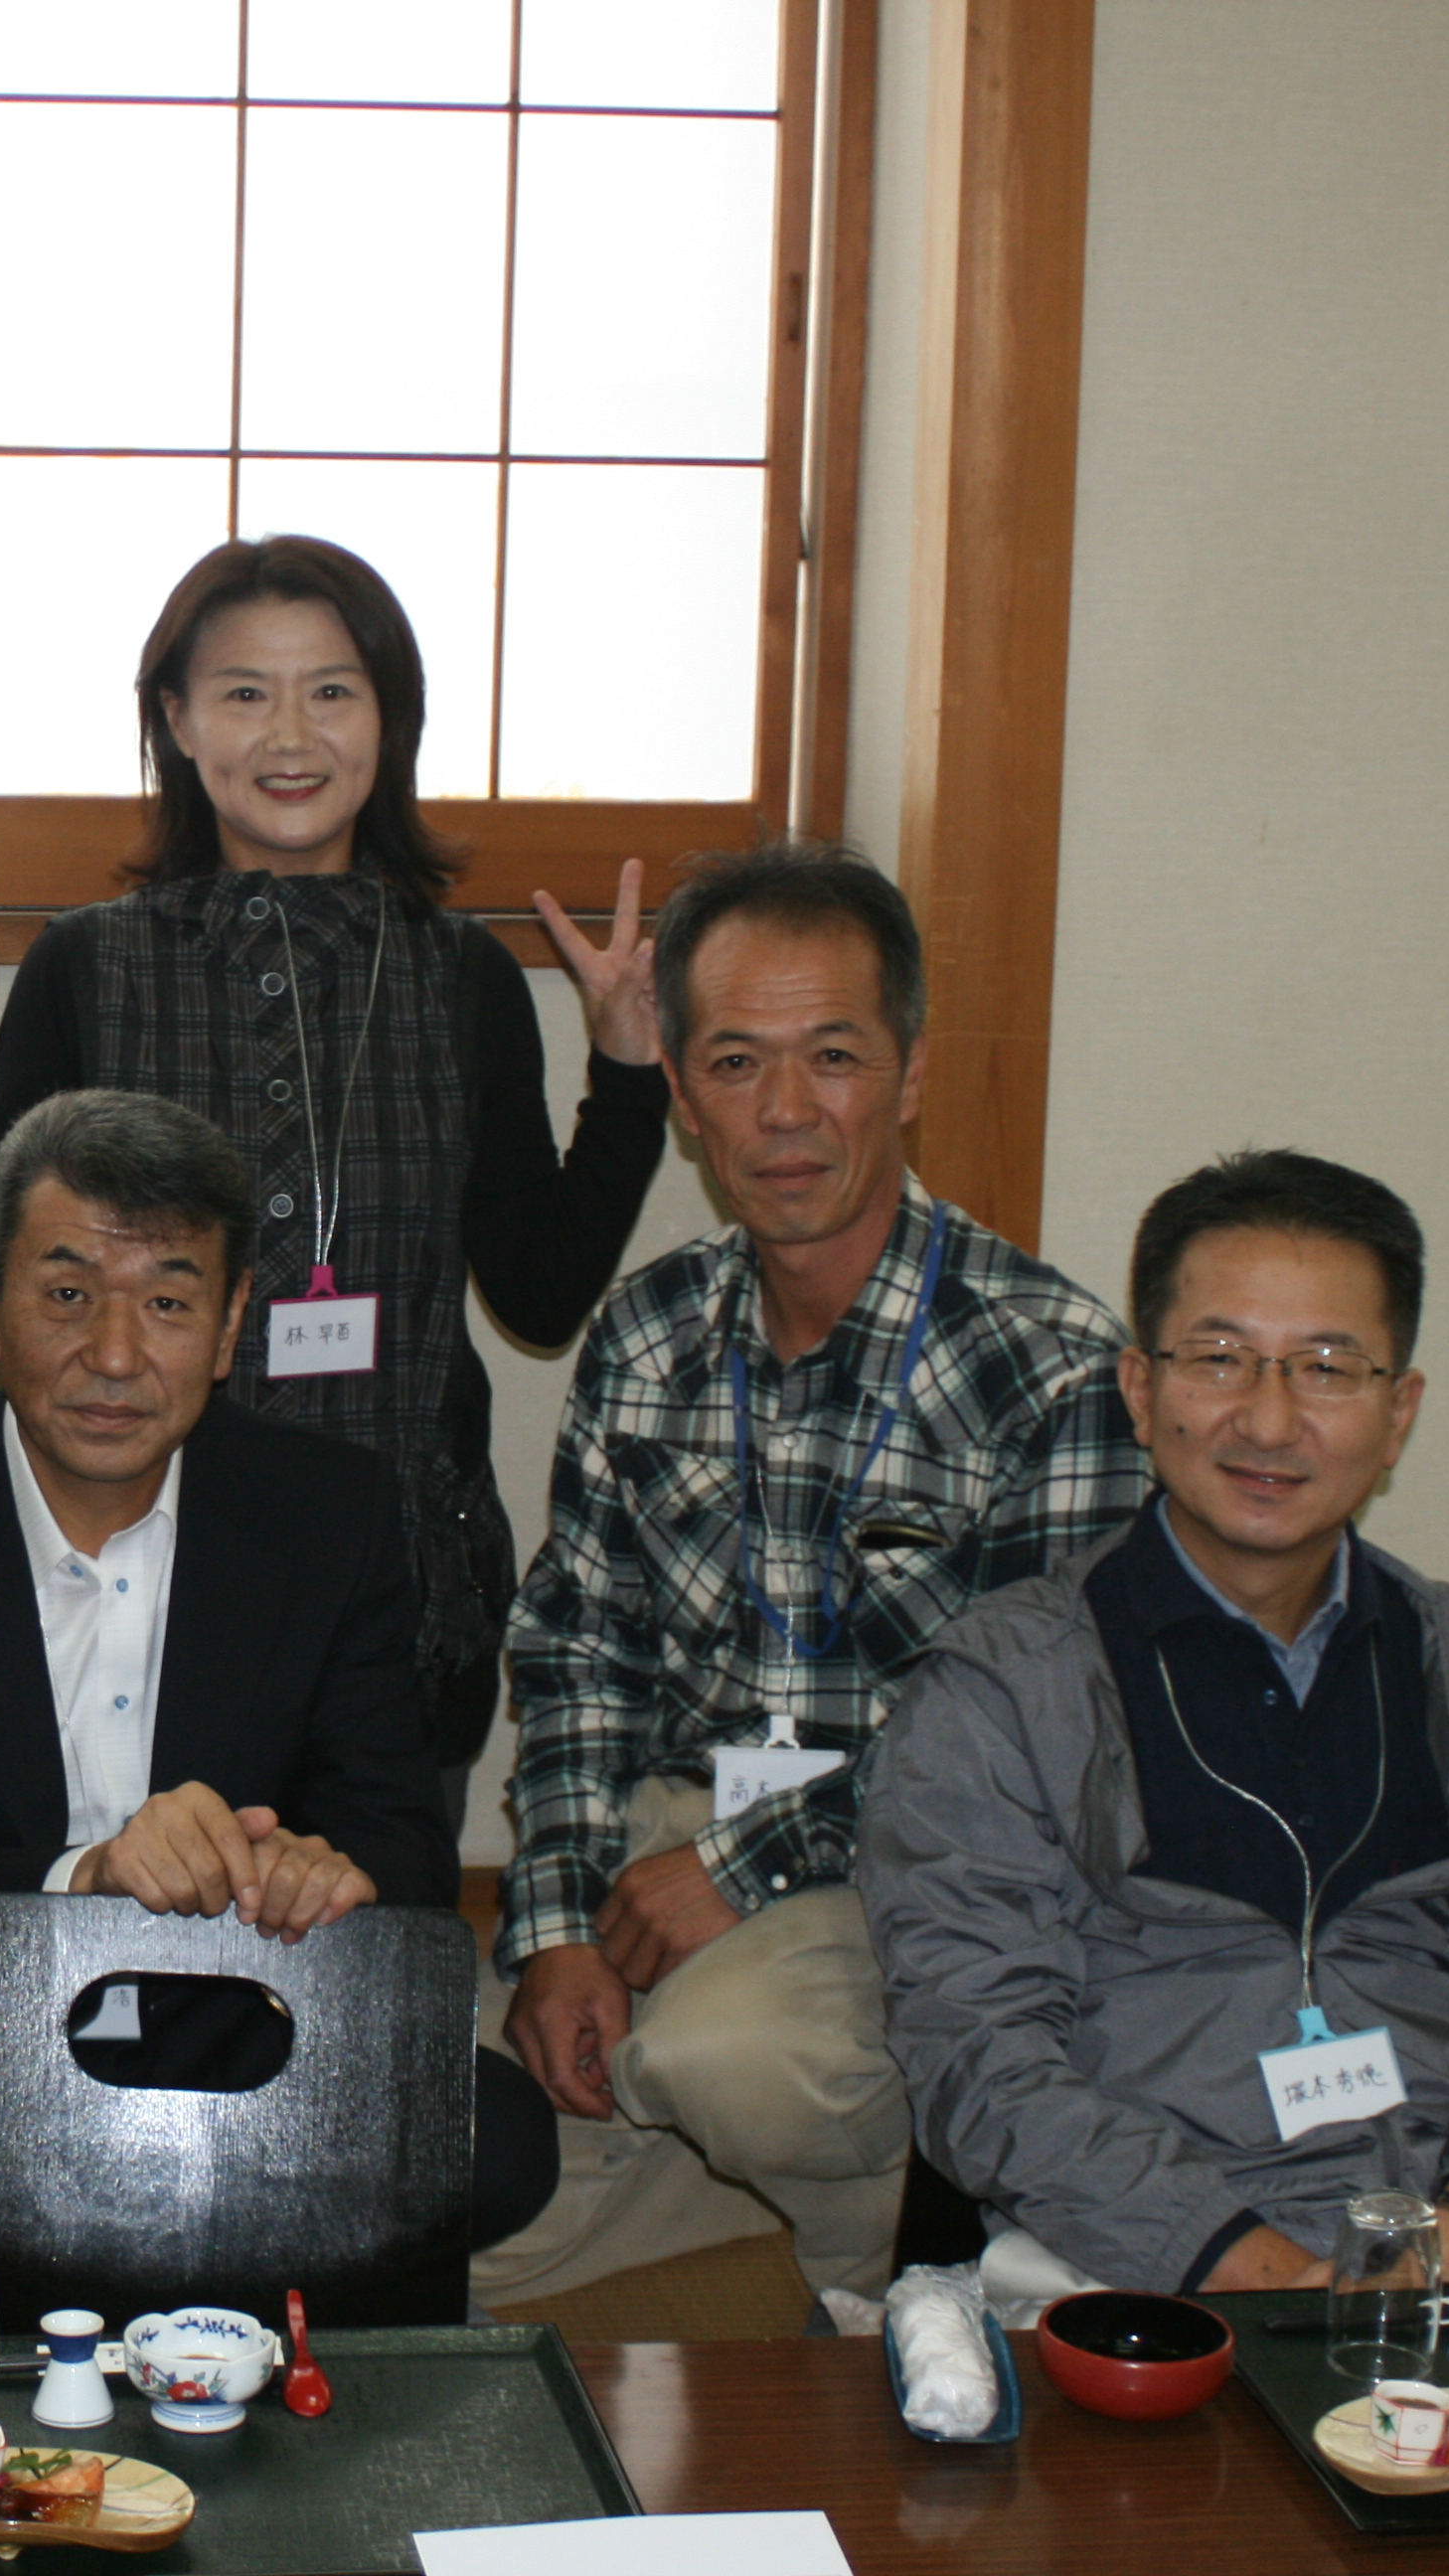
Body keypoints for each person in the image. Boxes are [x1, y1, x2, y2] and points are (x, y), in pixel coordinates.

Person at [0, 1091, 557, 2318]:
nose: (117, 1355)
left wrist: (305, 1870)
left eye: (170, 1304)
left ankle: (148, 2290)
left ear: (231, 1324)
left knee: (501, 2145)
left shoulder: (331, 1516)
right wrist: (93, 1875)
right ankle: (188, 2289)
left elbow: (401, 1841)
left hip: (239, 2019)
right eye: (67, 1293)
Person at [0, 535, 670, 1791]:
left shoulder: (463, 976)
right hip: (130, 1585)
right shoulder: (86, 966)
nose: (290, 735)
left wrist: (628, 1074)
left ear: (390, 716)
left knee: (373, 1904)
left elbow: (539, 1291)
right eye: (245, 692)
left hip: (405, 1592)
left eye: (333, 690)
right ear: (177, 719)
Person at [487, 844, 1148, 2310]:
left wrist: (742, 1869)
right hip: (671, 1822)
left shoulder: (1051, 1368)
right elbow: (577, 1656)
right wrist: (555, 1930)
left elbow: (1038, 1749)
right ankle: (704, 2140)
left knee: (737, 2062)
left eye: (833, 1056)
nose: (785, 1112)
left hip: (915, 1866)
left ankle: (910, 2283)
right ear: (681, 1090)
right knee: (436, 2191)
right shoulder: (647, 1333)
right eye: (736, 1062)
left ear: (909, 1073)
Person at [860, 1153, 1449, 2300]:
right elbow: (979, 2050)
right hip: (1127, 2263)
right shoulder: (1004, 1686)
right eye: (1219, 1359)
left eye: (1328, 1368)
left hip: (1444, 2251)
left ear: (1399, 1414)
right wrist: (1258, 2272)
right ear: (1139, 1389)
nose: (1269, 1420)